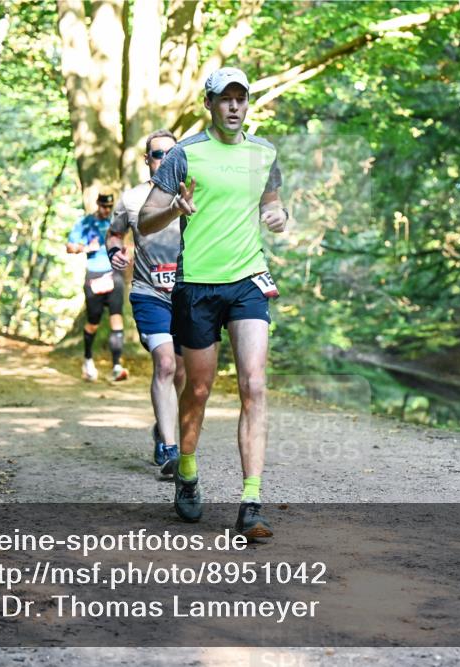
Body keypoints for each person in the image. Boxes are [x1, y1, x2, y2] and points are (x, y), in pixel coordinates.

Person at [138, 67, 289, 539]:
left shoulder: (264, 153)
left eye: (241, 98)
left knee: (254, 385)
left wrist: (278, 214)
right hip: (197, 285)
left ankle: (251, 503)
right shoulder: (184, 155)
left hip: (247, 280)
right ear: (209, 104)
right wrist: (173, 208)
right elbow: (144, 221)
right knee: (198, 390)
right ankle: (186, 470)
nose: (234, 106)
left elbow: (271, 202)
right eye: (225, 98)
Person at [108, 130, 184, 479]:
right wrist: (115, 252)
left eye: (171, 153)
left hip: (187, 293)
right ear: (147, 160)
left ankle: (161, 425)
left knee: (182, 374)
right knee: (165, 364)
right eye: (157, 154)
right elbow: (114, 234)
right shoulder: (132, 198)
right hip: (148, 292)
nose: (164, 160)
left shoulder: (194, 194)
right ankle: (170, 448)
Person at [66, 192, 128, 382]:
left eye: (109, 207)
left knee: (116, 319)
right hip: (94, 275)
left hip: (114, 274)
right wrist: (85, 248)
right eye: (103, 206)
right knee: (93, 323)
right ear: (97, 204)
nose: (106, 210)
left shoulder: (116, 222)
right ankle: (88, 360)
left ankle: (116, 366)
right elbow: (69, 247)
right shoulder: (85, 223)